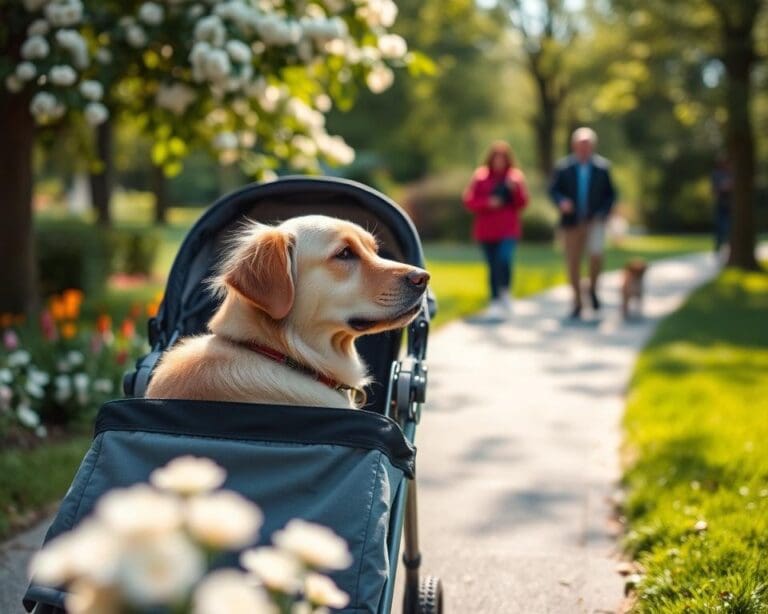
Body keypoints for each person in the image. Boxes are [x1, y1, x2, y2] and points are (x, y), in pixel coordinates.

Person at [549, 127, 616, 319]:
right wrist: (562, 202)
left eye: (587, 145)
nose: (584, 148)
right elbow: (553, 190)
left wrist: (602, 213)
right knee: (573, 263)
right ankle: (577, 302)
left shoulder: (602, 168)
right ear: (574, 146)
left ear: (593, 146)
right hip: (571, 223)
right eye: (581, 145)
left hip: (594, 222)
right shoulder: (564, 168)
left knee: (596, 256)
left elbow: (610, 195)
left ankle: (593, 290)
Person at [463, 141, 529, 318]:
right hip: (486, 230)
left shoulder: (514, 177)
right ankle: (494, 300)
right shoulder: (481, 177)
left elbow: (523, 202)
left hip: (508, 229)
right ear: (490, 159)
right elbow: (469, 201)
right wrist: (488, 203)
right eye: (496, 158)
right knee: (492, 265)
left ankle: (505, 292)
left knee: (504, 259)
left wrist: (514, 191)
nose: (499, 161)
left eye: (502, 158)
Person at [711, 155, 732, 255]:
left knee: (729, 226)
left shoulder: (731, 174)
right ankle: (718, 247)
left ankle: (727, 246)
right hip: (721, 204)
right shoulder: (717, 174)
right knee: (721, 227)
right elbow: (715, 190)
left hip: (731, 205)